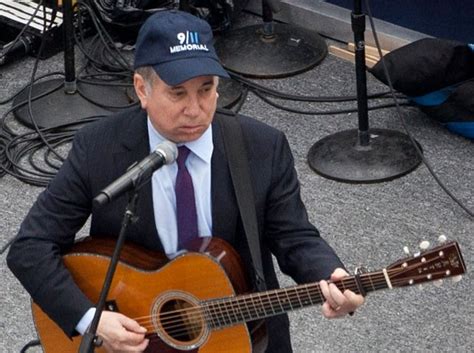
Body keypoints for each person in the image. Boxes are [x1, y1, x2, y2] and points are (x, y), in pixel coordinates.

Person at [7, 9, 364, 353]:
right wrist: (92, 321)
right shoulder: (99, 148)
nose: (195, 109)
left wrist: (330, 274)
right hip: (137, 332)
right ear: (142, 90)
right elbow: (30, 248)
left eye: (206, 89)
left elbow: (294, 235)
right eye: (178, 93)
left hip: (237, 333)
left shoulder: (261, 146)